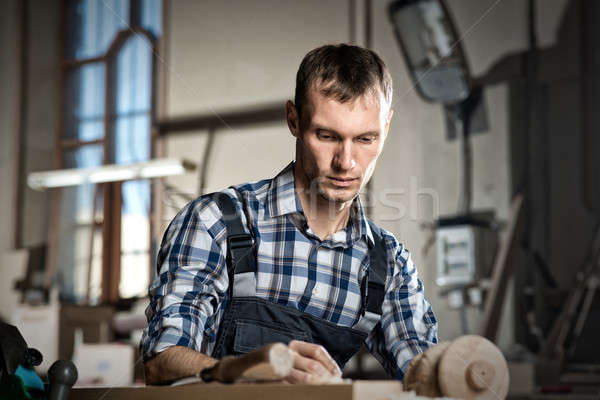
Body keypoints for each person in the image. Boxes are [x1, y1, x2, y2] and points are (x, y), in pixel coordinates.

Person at [141, 43, 437, 385]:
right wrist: (238, 373)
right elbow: (162, 362)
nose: (346, 162)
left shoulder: (388, 264)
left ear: (386, 126)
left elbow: (423, 375)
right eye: (327, 136)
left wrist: (454, 369)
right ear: (294, 120)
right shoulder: (216, 223)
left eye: (366, 139)